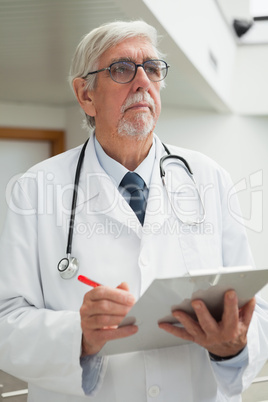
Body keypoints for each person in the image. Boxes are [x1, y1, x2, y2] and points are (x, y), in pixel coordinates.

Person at [0, 20, 267, 402]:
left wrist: (234, 346)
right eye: (122, 69)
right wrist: (79, 334)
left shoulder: (211, 179)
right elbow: (5, 320)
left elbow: (256, 306)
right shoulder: (35, 189)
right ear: (85, 95)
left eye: (153, 69)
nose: (143, 81)